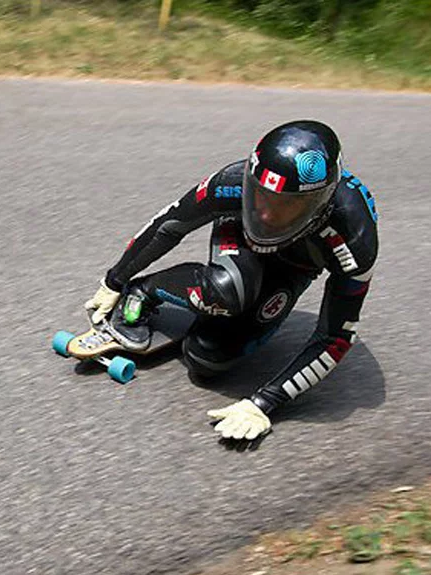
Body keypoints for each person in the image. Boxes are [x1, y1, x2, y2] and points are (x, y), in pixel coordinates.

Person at [84, 120, 379, 444]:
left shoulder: (355, 239)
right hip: (238, 236)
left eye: (285, 206)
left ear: (320, 204)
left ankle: (210, 299)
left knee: (207, 359)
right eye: (261, 196)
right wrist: (115, 280)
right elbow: (169, 224)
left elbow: (335, 337)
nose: (266, 215)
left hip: (296, 266)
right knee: (229, 290)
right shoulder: (234, 180)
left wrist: (265, 403)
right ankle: (146, 291)